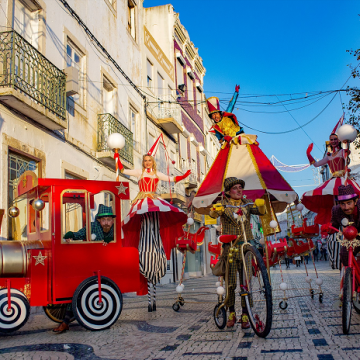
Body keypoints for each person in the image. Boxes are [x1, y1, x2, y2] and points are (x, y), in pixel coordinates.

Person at [119, 153, 190, 312]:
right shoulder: (140, 172)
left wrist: (183, 176)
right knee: (143, 224)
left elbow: (170, 179)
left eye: (149, 160)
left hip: (154, 201)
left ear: (152, 162)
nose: (147, 162)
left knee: (155, 222)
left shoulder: (157, 174)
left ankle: (155, 258)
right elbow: (123, 170)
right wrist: (117, 155)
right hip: (142, 201)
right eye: (145, 160)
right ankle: (145, 255)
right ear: (143, 162)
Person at [209, 177, 266, 329]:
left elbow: (261, 211)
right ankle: (232, 312)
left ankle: (246, 313)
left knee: (246, 283)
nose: (239, 190)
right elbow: (212, 214)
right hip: (230, 248)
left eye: (241, 187)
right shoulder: (223, 203)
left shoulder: (246, 202)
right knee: (231, 283)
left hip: (246, 248)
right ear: (228, 191)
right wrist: (215, 210)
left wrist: (261, 206)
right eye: (235, 188)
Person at [53, 205, 115, 334]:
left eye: (109, 220)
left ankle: (66, 321)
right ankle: (66, 321)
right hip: (91, 265)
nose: (106, 223)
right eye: (103, 220)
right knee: (78, 288)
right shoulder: (92, 227)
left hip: (108, 267)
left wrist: (110, 240)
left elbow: (120, 239)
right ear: (99, 220)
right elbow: (80, 234)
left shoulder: (115, 230)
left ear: (112, 220)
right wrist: (70, 235)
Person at [301, 120, 360, 225]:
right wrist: (308, 154)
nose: (333, 141)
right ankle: (339, 222)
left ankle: (350, 220)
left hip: (343, 178)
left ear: (339, 140)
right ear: (329, 141)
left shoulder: (342, 151)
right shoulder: (328, 156)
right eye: (331, 139)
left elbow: (346, 158)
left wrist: (347, 143)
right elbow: (316, 165)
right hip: (333, 179)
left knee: (348, 197)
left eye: (335, 139)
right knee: (334, 200)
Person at [328, 184, 360, 266]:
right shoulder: (336, 210)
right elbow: (334, 226)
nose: (346, 207)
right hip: (351, 239)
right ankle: (349, 276)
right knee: (344, 254)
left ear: (355, 201)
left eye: (349, 203)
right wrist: (328, 228)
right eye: (343, 204)